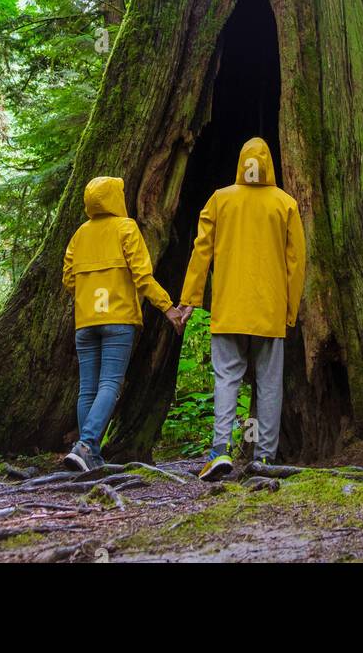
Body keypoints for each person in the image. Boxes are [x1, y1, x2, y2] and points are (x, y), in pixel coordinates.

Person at [177, 136, 306, 480]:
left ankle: (220, 450)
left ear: (240, 163)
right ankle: (264, 457)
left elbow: (200, 251)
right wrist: (290, 311)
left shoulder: (220, 200)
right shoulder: (285, 204)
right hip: (269, 312)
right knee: (268, 384)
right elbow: (297, 263)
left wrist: (189, 300)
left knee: (226, 379)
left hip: (229, 309)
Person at [62, 174, 183, 471]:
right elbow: (143, 277)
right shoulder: (126, 228)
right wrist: (168, 308)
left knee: (87, 389)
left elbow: (68, 280)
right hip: (118, 319)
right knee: (110, 384)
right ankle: (88, 444)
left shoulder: (80, 235)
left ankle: (90, 455)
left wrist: (92, 290)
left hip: (86, 321)